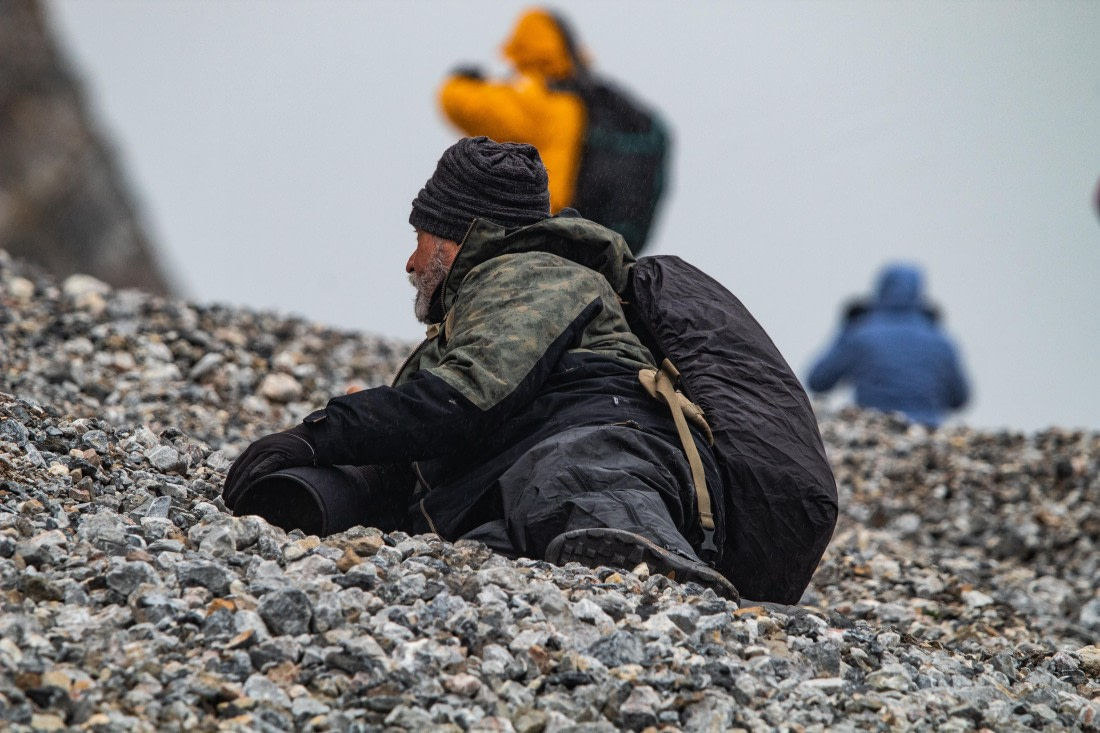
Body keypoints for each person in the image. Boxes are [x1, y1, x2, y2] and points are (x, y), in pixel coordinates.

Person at [223, 136, 737, 599]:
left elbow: (461, 401)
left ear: (458, 237)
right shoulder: (475, 317)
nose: (410, 263)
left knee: (571, 474)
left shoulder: (536, 275)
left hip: (617, 446)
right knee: (488, 548)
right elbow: (423, 438)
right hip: (522, 483)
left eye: (421, 236)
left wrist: (319, 433)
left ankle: (657, 564)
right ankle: (638, 574)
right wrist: (311, 489)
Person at [437, 8, 668, 255]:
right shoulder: (583, 103)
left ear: (523, 46)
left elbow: (460, 104)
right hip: (582, 231)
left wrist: (459, 81)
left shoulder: (541, 100)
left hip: (544, 226)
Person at [807, 263, 970, 427]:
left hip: (874, 425)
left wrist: (846, 328)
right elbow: (959, 398)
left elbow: (818, 381)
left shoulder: (861, 333)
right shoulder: (940, 341)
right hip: (927, 427)